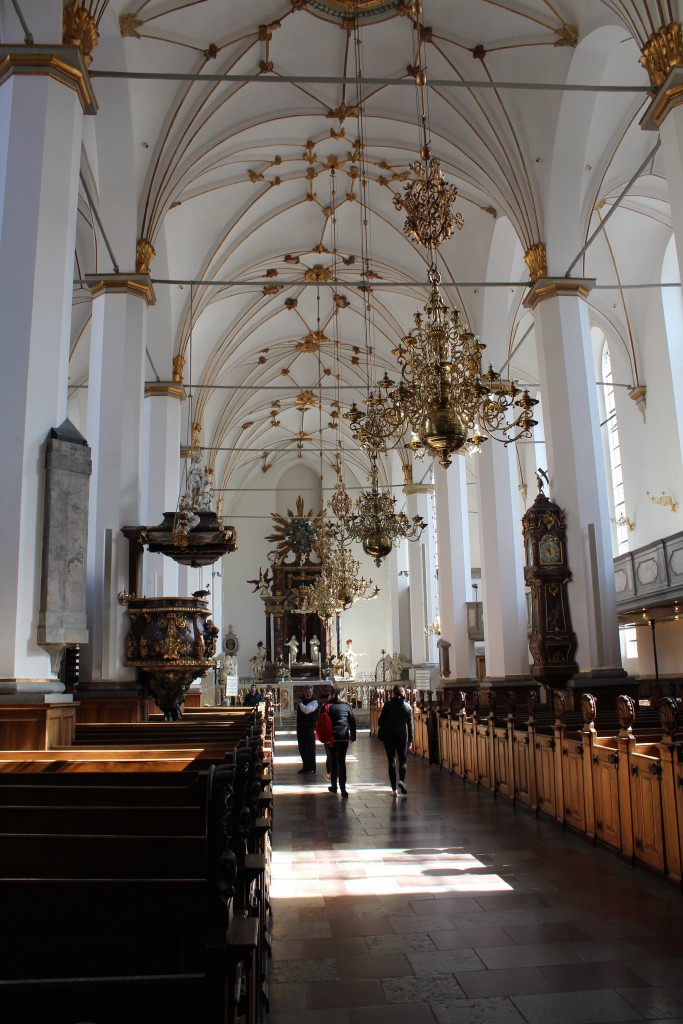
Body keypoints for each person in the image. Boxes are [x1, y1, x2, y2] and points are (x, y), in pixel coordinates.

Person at [377, 684, 413, 797]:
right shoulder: (407, 706)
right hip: (402, 736)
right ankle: (401, 781)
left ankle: (394, 789)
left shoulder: (388, 705)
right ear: (404, 694)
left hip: (389, 736)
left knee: (391, 761)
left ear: (392, 693)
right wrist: (410, 740)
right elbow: (410, 725)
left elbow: (380, 721)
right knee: (403, 760)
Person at [327, 687, 356, 798]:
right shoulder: (346, 706)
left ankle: (334, 786)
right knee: (342, 762)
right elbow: (352, 722)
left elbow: (321, 721)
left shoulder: (328, 706)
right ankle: (343, 788)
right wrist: (352, 736)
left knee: (333, 761)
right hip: (343, 736)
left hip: (331, 737)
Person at [297, 684, 319, 775]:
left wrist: (300, 703)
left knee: (309, 748)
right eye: (306, 692)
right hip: (301, 727)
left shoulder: (314, 701)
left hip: (309, 728)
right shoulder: (301, 699)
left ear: (312, 692)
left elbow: (307, 710)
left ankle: (311, 768)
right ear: (304, 692)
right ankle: (305, 767)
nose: (308, 694)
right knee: (302, 748)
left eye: (310, 692)